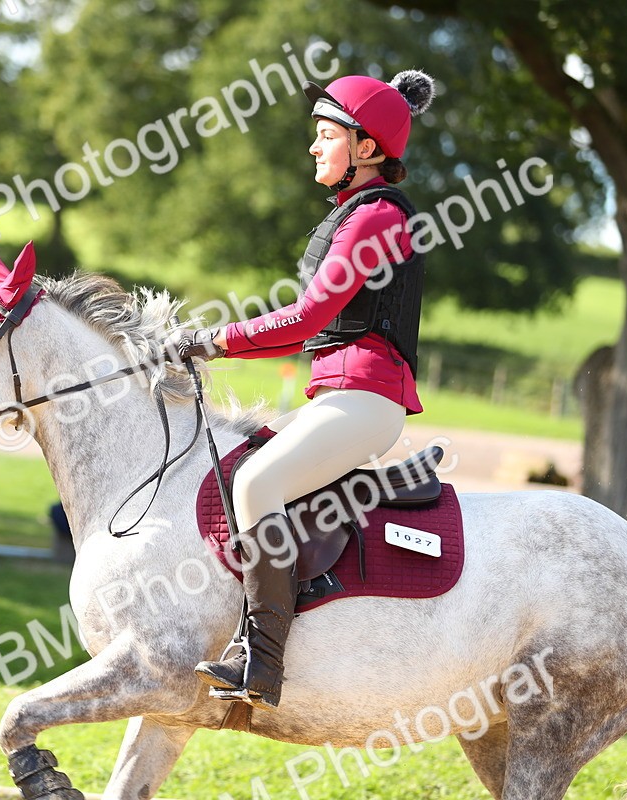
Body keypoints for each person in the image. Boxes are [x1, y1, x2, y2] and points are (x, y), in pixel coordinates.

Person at [166, 70, 435, 710]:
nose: (313, 148)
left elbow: (307, 319)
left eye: (325, 135)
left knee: (257, 484)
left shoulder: (373, 216)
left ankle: (261, 661)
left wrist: (212, 341)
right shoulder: (355, 212)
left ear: (366, 148)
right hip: (343, 395)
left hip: (366, 397)